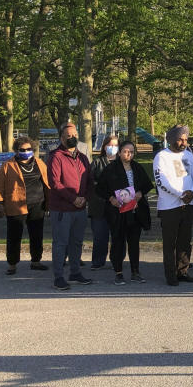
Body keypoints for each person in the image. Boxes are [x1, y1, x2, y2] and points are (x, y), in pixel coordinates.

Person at [97, 141, 153, 285]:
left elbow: (147, 184)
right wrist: (111, 199)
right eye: (126, 151)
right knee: (118, 242)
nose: (128, 154)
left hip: (134, 211)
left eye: (132, 152)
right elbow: (100, 188)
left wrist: (140, 192)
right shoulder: (111, 169)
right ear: (120, 152)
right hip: (117, 212)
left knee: (134, 242)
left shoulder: (137, 168)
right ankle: (118, 272)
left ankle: (135, 271)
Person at [154, 125, 193, 286]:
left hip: (188, 204)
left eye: (186, 139)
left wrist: (192, 192)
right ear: (172, 139)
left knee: (185, 241)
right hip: (169, 207)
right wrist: (180, 194)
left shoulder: (188, 155)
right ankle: (171, 275)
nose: (183, 142)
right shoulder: (161, 156)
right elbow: (161, 181)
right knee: (170, 243)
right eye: (180, 139)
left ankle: (183, 271)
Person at [48, 123, 92, 291]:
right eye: (68, 135)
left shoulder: (82, 157)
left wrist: (85, 198)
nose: (72, 137)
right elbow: (55, 183)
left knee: (76, 242)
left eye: (74, 134)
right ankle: (58, 277)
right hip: (62, 209)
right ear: (62, 138)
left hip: (80, 208)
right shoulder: (56, 156)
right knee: (61, 243)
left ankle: (75, 272)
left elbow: (89, 180)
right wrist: (73, 199)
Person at [0, 137, 49, 275]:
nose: (26, 152)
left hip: (37, 204)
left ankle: (36, 261)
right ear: (16, 151)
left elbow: (48, 183)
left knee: (37, 235)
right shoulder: (8, 165)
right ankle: (12, 264)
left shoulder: (39, 163)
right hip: (16, 205)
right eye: (22, 150)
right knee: (14, 236)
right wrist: (0, 204)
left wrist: (49, 201)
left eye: (29, 149)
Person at [87, 135, 119, 271]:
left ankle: (116, 261)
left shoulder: (122, 164)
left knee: (117, 236)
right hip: (99, 206)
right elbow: (89, 183)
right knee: (100, 236)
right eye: (109, 145)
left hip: (118, 206)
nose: (112, 148)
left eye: (115, 145)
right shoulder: (96, 163)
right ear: (104, 147)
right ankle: (98, 261)